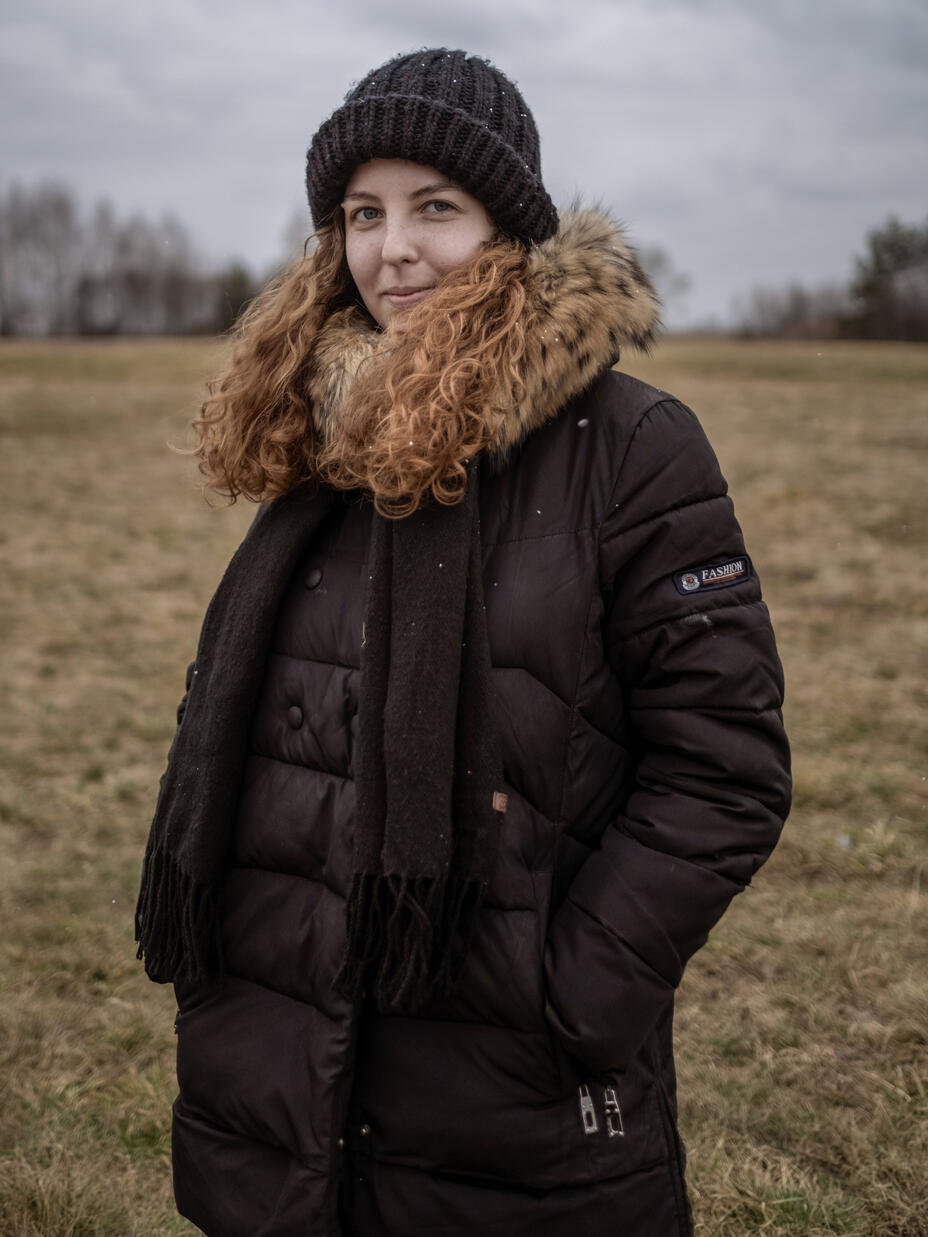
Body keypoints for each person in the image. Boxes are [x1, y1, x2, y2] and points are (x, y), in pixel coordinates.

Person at [135, 47, 791, 1237]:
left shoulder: (631, 449)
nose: (394, 250)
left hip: (512, 1091)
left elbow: (724, 767)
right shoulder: (320, 441)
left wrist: (572, 994)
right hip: (281, 1063)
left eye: (436, 207)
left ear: (508, 225)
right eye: (363, 213)